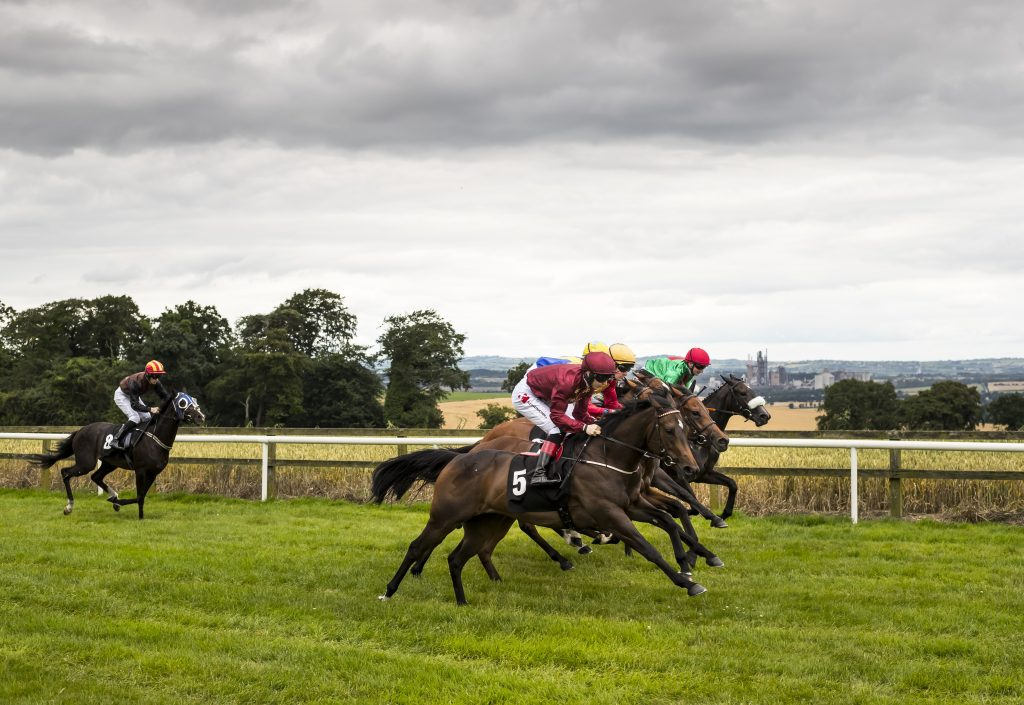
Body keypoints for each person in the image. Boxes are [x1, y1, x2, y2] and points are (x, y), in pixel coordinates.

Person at [511, 351, 617, 486]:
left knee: (571, 427)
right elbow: (557, 416)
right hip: (527, 394)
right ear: (589, 374)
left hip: (547, 392)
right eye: (602, 378)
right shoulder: (568, 382)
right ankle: (538, 474)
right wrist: (585, 427)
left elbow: (580, 414)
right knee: (557, 429)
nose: (606, 382)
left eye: (609, 377)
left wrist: (596, 423)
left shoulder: (588, 383)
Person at [110, 360, 171, 451]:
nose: (157, 378)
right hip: (122, 395)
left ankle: (140, 438)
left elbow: (166, 397)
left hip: (133, 395)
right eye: (155, 376)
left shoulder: (156, 382)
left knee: (147, 418)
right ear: (148, 375)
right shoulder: (135, 382)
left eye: (159, 376)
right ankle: (116, 439)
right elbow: (134, 405)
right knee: (135, 418)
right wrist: (150, 409)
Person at [643, 347, 711, 393]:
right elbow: (668, 390)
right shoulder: (676, 372)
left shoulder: (689, 370)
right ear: (690, 364)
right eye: (700, 367)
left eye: (704, 367)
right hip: (649, 371)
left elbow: (686, 390)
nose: (702, 371)